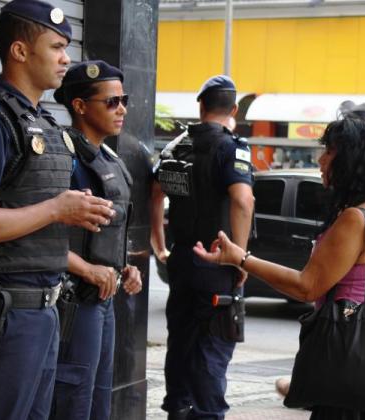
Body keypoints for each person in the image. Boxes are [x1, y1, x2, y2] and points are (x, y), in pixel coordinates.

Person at [194, 114, 365, 420]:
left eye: (330, 152)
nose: (321, 160)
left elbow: (306, 285)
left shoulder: (357, 219)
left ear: (353, 161)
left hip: (358, 372)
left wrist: (241, 259)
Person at [0, 1, 116, 418]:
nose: (65, 58)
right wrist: (57, 209)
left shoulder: (42, 123)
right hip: (8, 316)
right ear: (20, 52)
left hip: (46, 312)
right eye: (56, 46)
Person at [151, 75, 255, 419]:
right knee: (212, 345)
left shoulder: (176, 146)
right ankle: (207, 414)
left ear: (201, 106)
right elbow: (242, 200)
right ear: (234, 109)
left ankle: (178, 409)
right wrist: (239, 257)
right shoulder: (232, 147)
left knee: (180, 339)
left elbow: (155, 195)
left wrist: (160, 245)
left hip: (181, 258)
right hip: (215, 261)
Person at [50, 60, 143, 419]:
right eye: (111, 101)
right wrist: (87, 269)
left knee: (98, 404)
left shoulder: (109, 158)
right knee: (72, 403)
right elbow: (38, 232)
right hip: (73, 300)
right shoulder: (63, 158)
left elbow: (107, 232)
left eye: (124, 99)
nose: (121, 109)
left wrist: (125, 267)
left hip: (104, 299)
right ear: (80, 106)